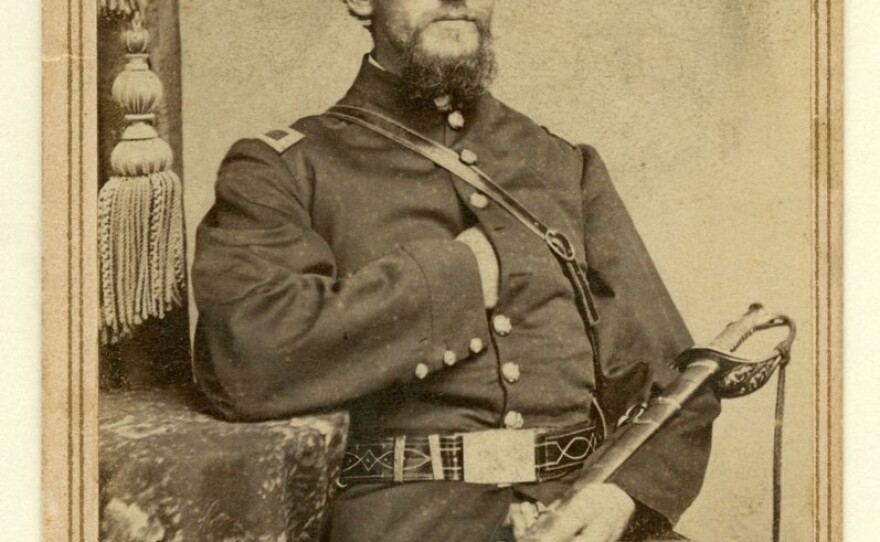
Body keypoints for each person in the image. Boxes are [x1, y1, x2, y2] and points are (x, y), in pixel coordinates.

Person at [191, 1, 721, 540]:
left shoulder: (563, 165)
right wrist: (460, 277)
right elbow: (246, 351)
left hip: (586, 519)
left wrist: (620, 496)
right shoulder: (283, 168)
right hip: (411, 524)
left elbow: (676, 380)